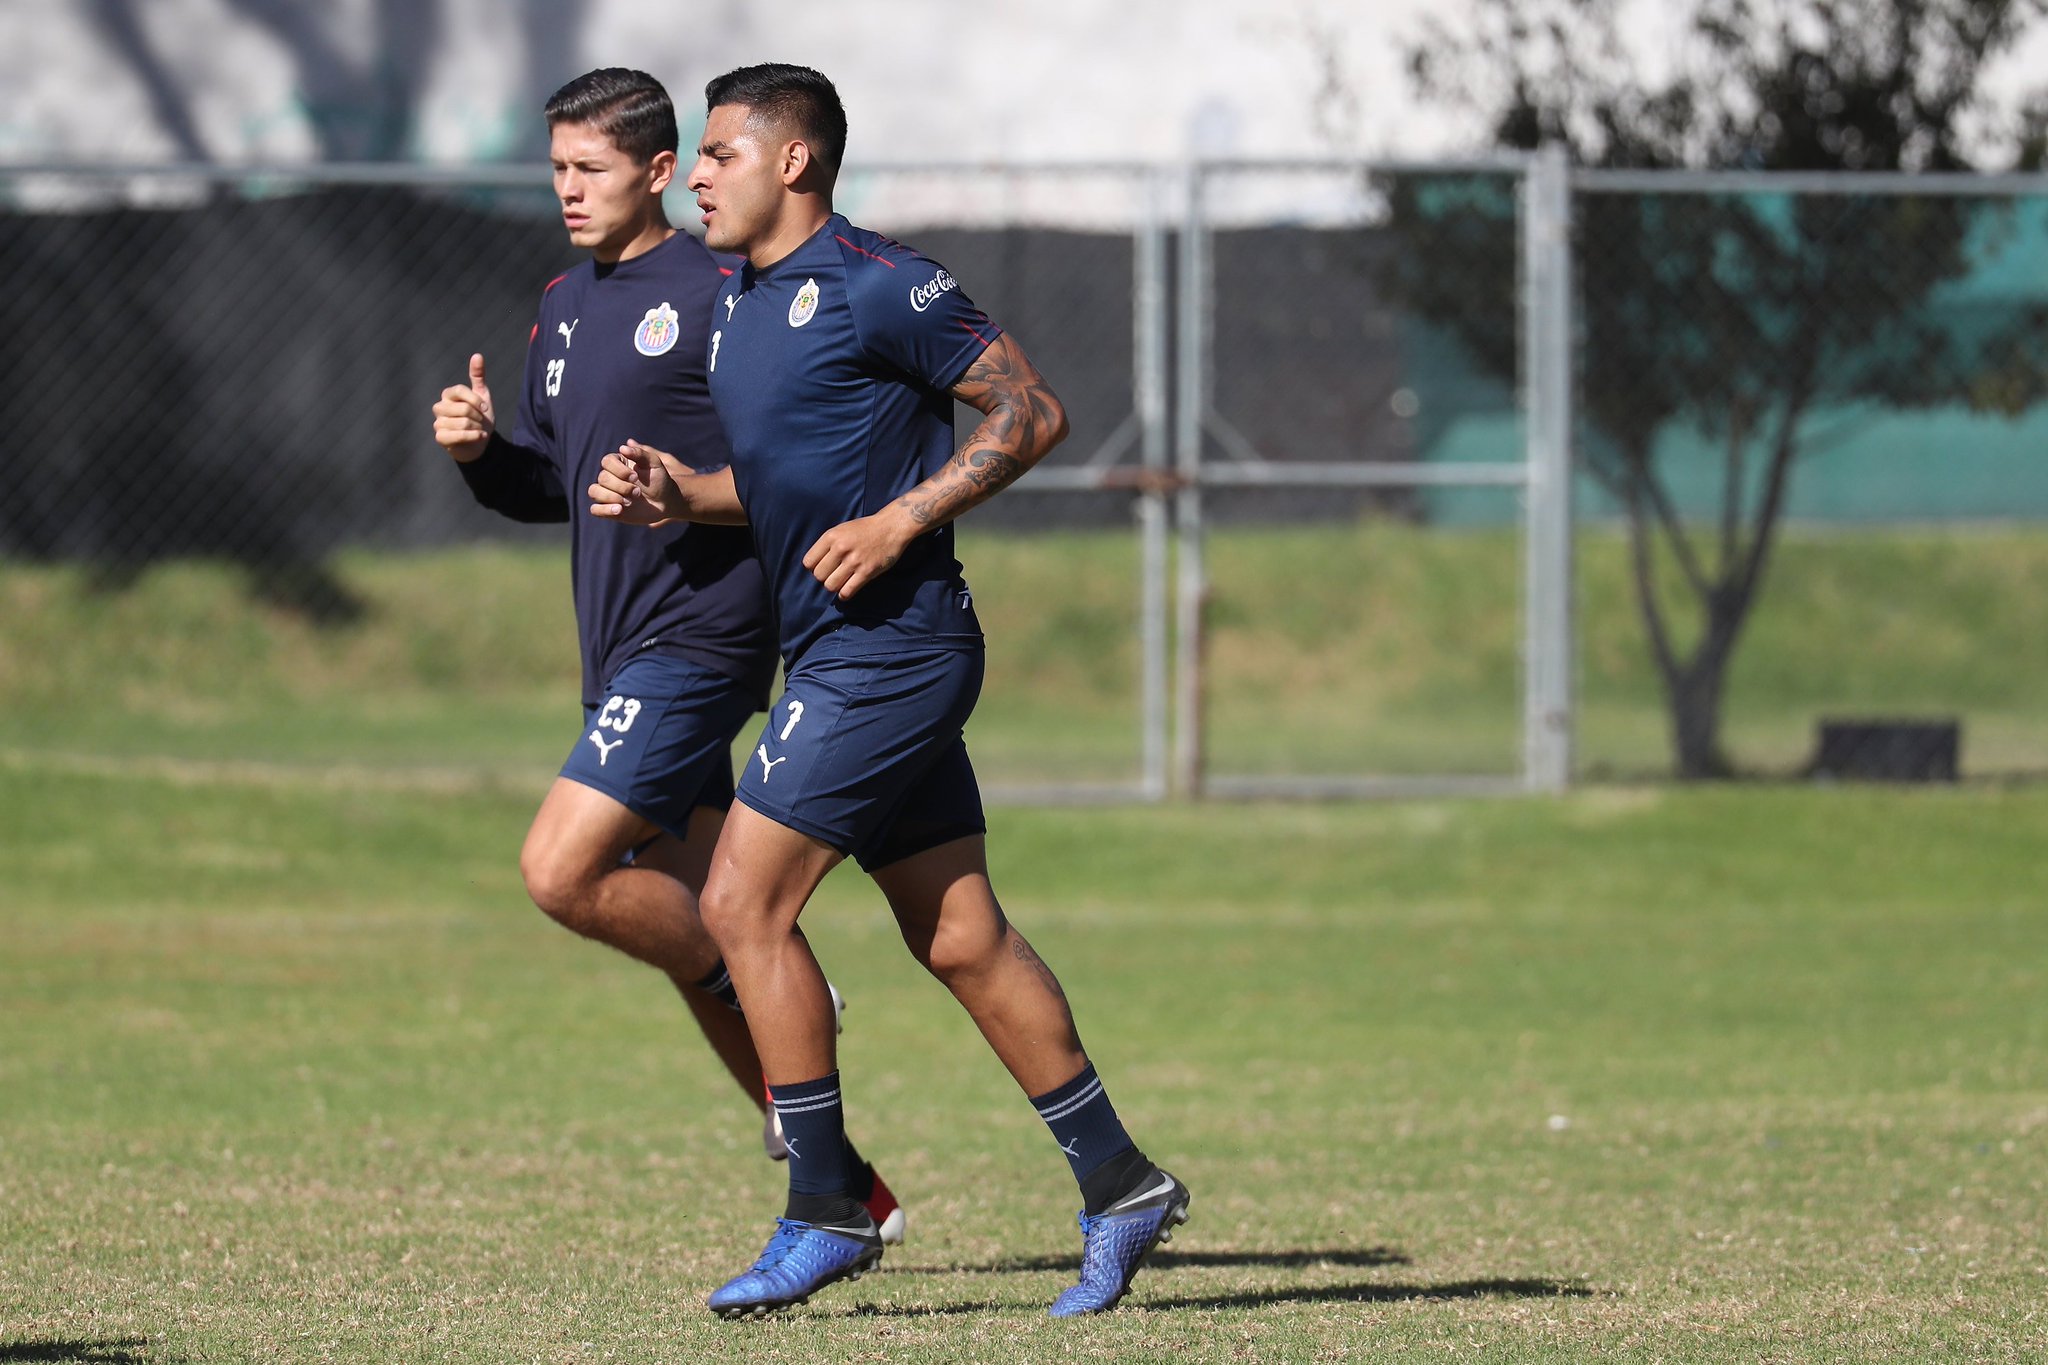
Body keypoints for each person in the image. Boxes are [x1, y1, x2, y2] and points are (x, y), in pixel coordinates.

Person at [589, 62, 1188, 1320]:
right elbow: (787, 479)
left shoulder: (878, 282)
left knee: (740, 901)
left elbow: (1030, 409)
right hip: (836, 653)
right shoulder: (740, 305)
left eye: (719, 154)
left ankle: (824, 1205)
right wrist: (683, 496)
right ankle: (1121, 1184)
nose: (697, 179)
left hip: (893, 652)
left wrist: (904, 518)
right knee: (957, 935)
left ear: (792, 161)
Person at [430, 67, 901, 1242]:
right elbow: (557, 487)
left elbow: (791, 469)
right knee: (695, 913)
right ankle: (845, 1190)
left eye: (589, 169)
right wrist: (484, 455)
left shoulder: (719, 292)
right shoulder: (561, 303)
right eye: (555, 169)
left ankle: (778, 993)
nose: (567, 190)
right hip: (617, 646)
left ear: (654, 170)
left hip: (702, 635)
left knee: (561, 873)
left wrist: (687, 495)